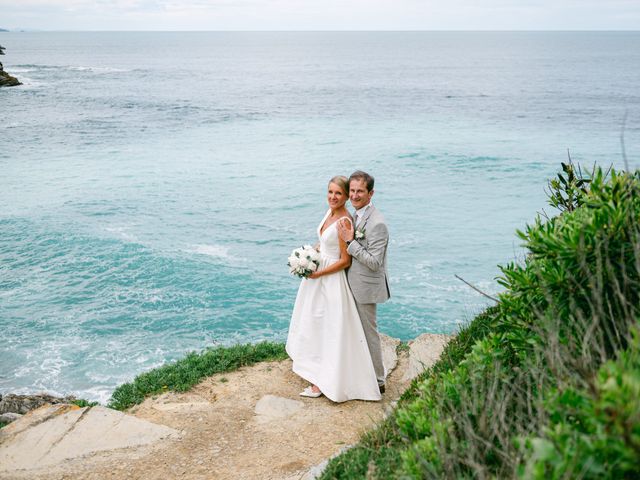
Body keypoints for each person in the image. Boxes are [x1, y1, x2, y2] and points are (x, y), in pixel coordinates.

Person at [286, 176, 381, 402]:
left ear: (347, 196)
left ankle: (322, 381)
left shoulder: (344, 222)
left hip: (330, 280)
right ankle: (314, 371)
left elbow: (345, 261)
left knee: (327, 328)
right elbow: (325, 242)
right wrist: (311, 254)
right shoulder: (330, 213)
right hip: (319, 275)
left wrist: (317, 273)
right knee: (314, 325)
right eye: (330, 192)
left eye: (338, 193)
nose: (333, 197)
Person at [337, 170, 390, 393]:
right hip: (351, 282)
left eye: (360, 191)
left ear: (371, 193)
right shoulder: (355, 215)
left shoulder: (377, 223)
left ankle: (379, 380)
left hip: (366, 287)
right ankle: (359, 373)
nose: (355, 195)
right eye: (352, 191)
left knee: (369, 333)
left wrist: (351, 241)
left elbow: (375, 262)